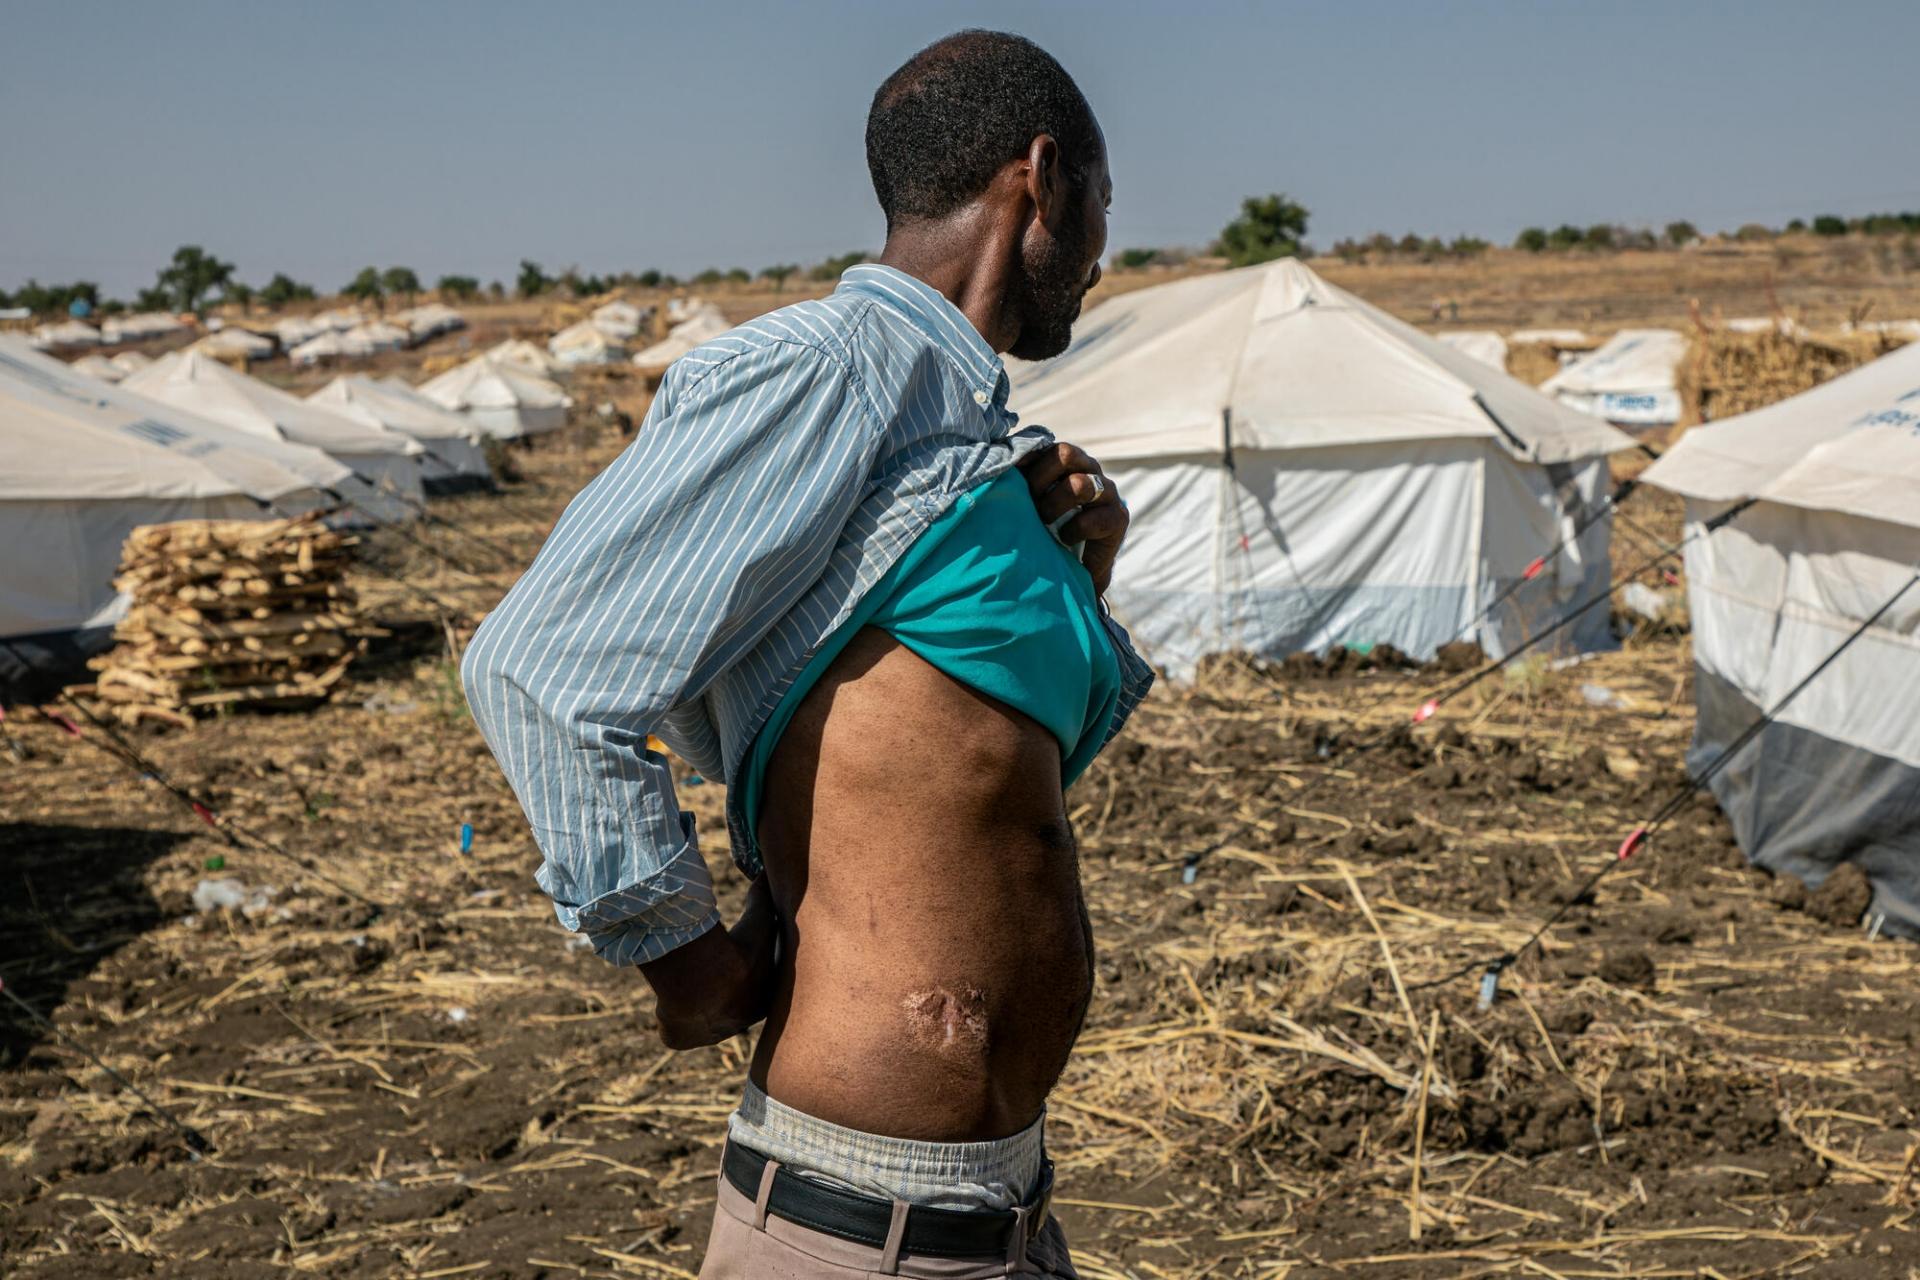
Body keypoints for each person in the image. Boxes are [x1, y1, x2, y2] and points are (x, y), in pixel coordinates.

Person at [462, 29, 1152, 1278]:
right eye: (1106, 199)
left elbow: (977, 788)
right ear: (1040, 177)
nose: (1106, 249)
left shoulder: (967, 435)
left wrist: (1080, 574)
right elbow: (537, 669)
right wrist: (686, 957)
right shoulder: (830, 371)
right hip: (858, 1218)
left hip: (1003, 1203)